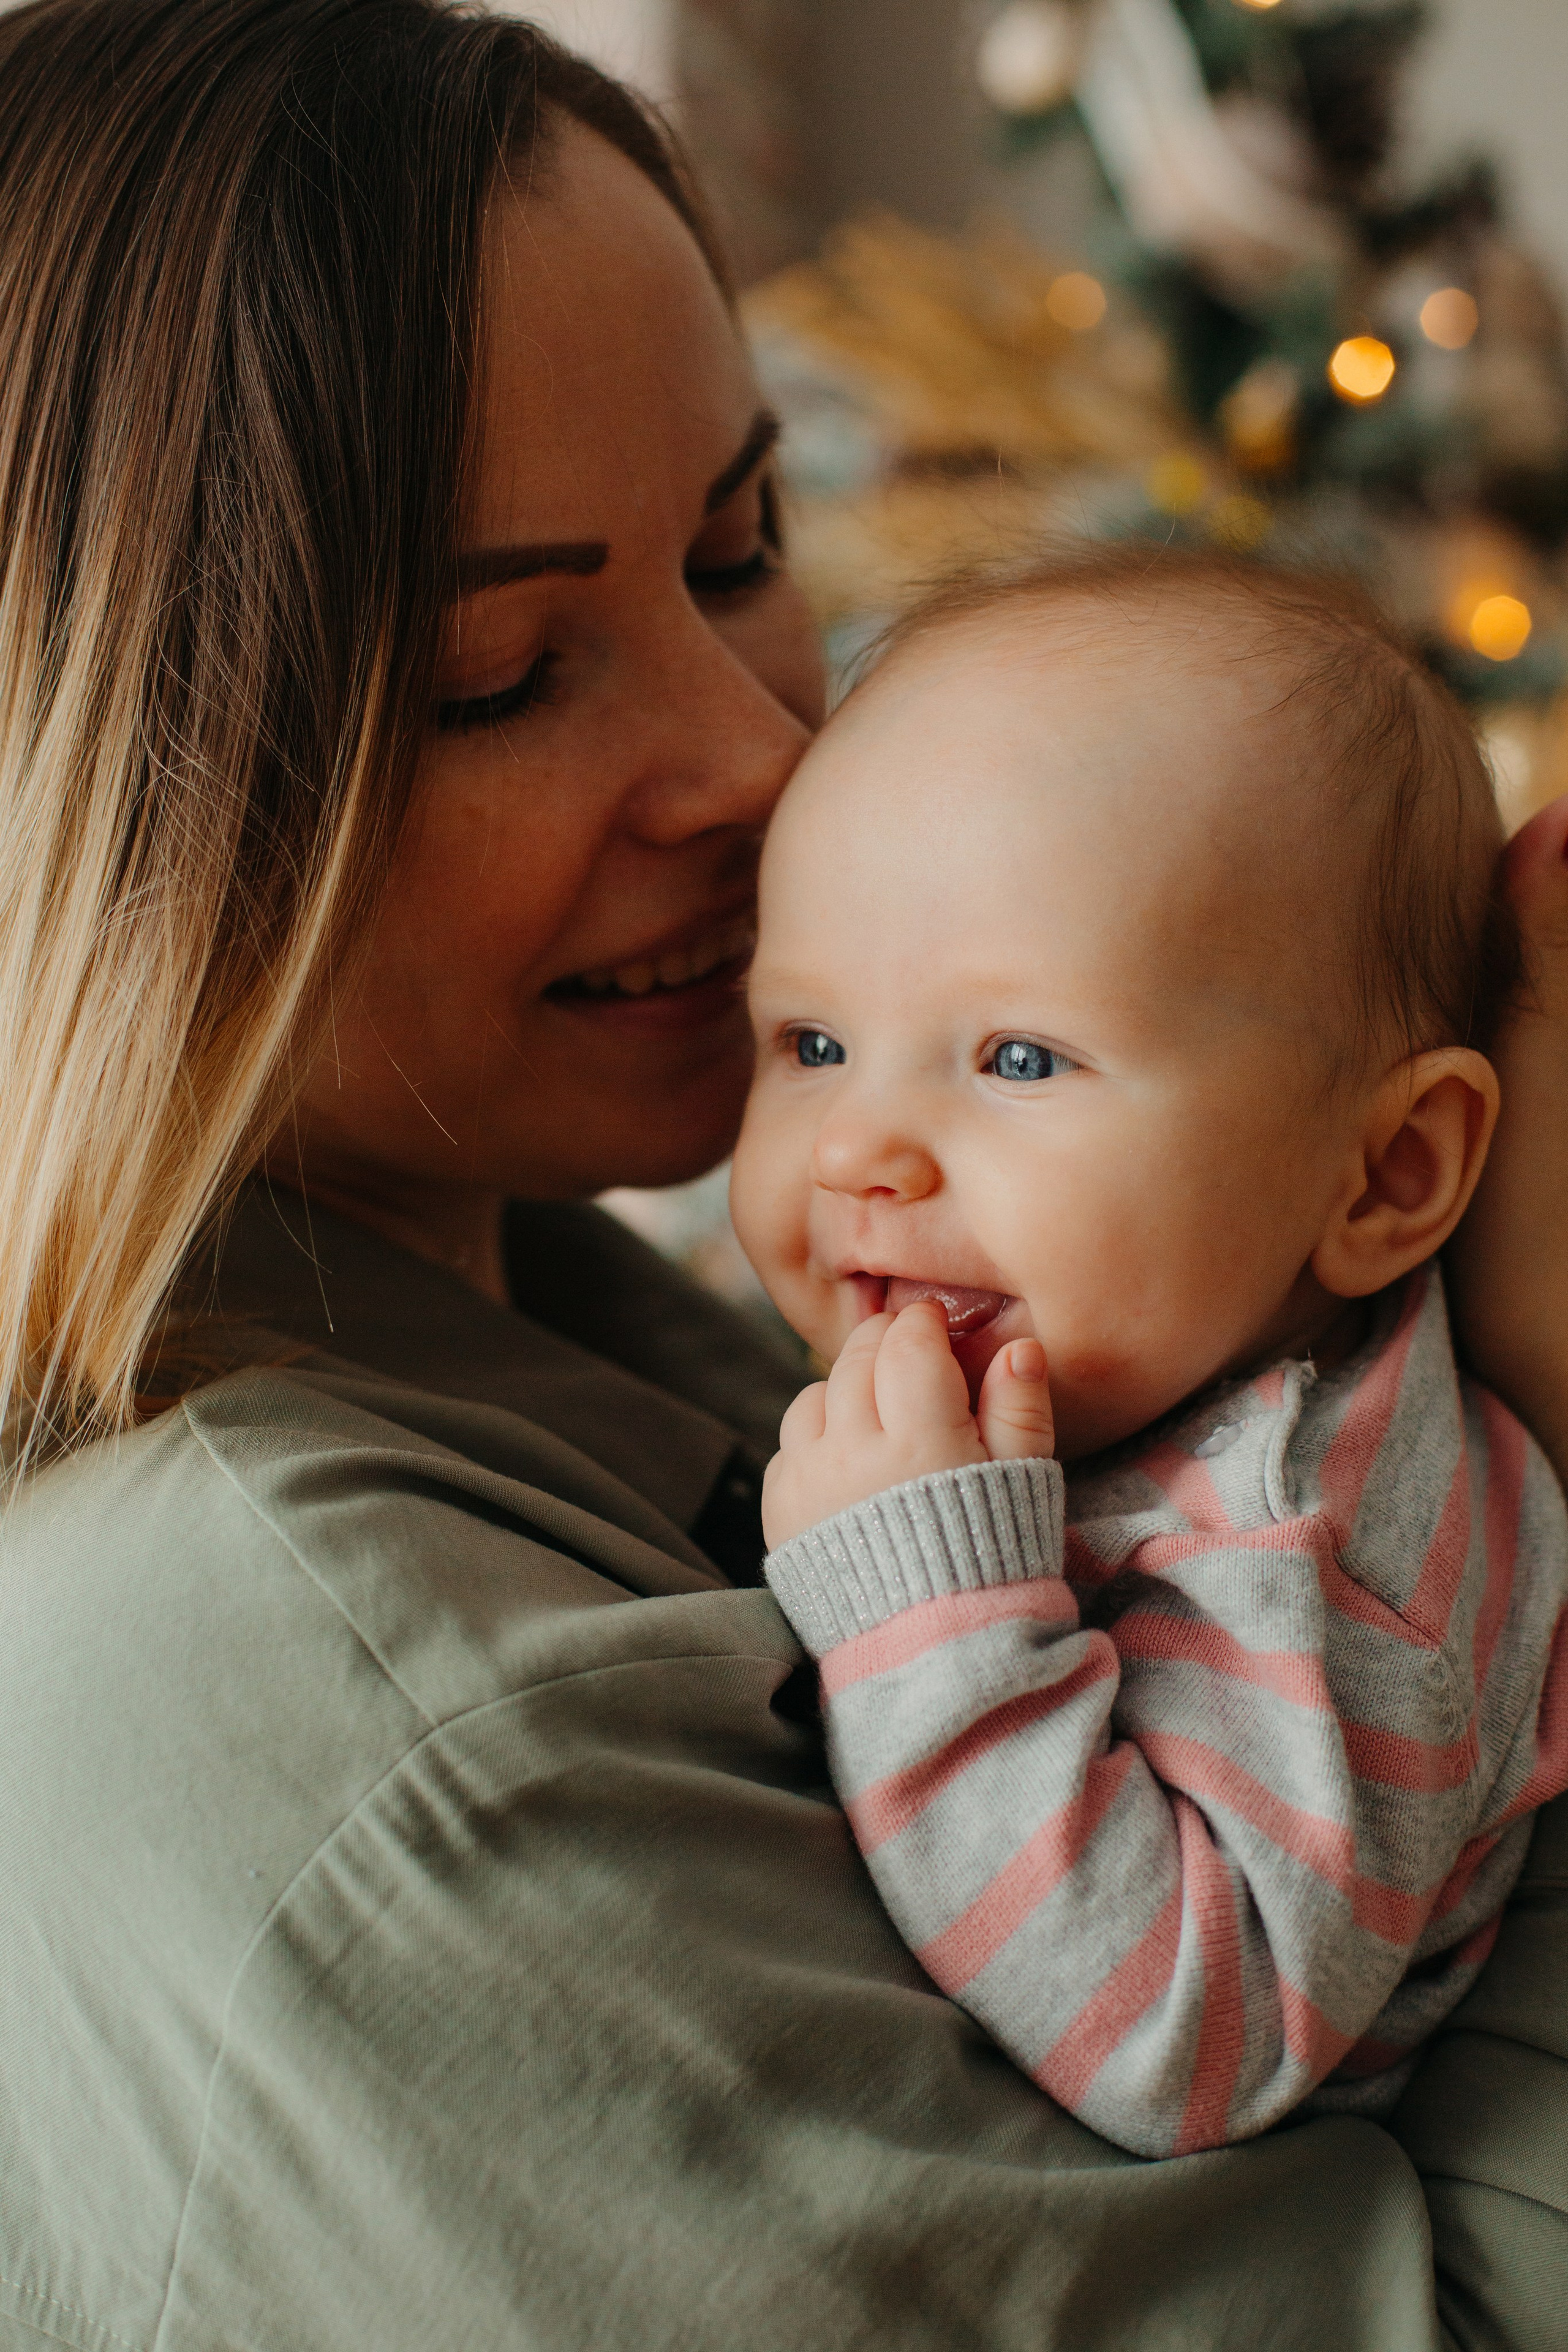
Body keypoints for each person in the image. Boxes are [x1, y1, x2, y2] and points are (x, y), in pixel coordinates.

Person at [0, 1, 1564, 2345]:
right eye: (505, 674)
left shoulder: (656, 1319)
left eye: (743, 548)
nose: (757, 752)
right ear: (105, 801)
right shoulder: (361, 1716)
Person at [733, 552, 1568, 2157]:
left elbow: (1186, 2034)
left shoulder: (1304, 1551)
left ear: (1387, 1175)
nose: (859, 1148)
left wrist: (925, 1599)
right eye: (814, 1043)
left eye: (1021, 1055)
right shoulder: (1169, 1356)